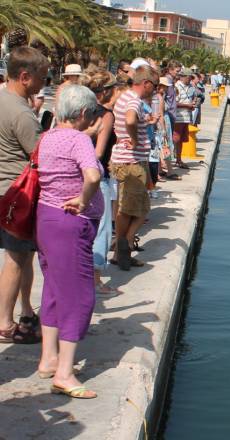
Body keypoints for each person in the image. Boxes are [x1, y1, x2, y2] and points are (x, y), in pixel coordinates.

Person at [36, 84, 102, 398]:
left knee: (52, 290)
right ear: (83, 113)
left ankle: (48, 358)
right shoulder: (78, 139)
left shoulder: (47, 136)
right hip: (70, 224)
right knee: (78, 296)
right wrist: (83, 199)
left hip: (46, 220)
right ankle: (64, 372)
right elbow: (92, 176)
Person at [0, 46, 49, 344]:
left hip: (5, 192)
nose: (45, 82)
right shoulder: (21, 113)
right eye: (42, 77)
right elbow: (40, 154)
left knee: (22, 256)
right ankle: (5, 323)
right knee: (17, 258)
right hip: (15, 195)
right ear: (25, 76)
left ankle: (27, 312)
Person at [110, 65, 159, 271]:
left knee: (133, 207)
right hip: (131, 162)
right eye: (154, 86)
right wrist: (134, 139)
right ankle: (123, 246)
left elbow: (130, 119)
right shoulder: (134, 100)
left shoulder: (124, 96)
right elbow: (130, 119)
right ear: (146, 83)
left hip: (128, 160)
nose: (155, 90)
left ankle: (124, 244)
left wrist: (143, 123)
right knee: (133, 209)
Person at [83, 70, 122, 295]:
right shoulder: (106, 115)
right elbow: (98, 152)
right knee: (102, 228)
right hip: (98, 177)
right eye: (116, 88)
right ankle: (96, 280)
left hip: (79, 175)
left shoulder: (84, 110)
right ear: (106, 92)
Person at [174, 73, 196, 168]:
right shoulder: (176, 86)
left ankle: (179, 160)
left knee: (181, 140)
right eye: (188, 78)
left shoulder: (190, 87)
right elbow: (174, 103)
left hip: (186, 117)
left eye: (191, 78)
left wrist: (192, 104)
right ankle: (169, 159)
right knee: (175, 139)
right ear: (182, 77)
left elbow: (195, 96)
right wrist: (187, 105)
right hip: (178, 117)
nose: (190, 80)